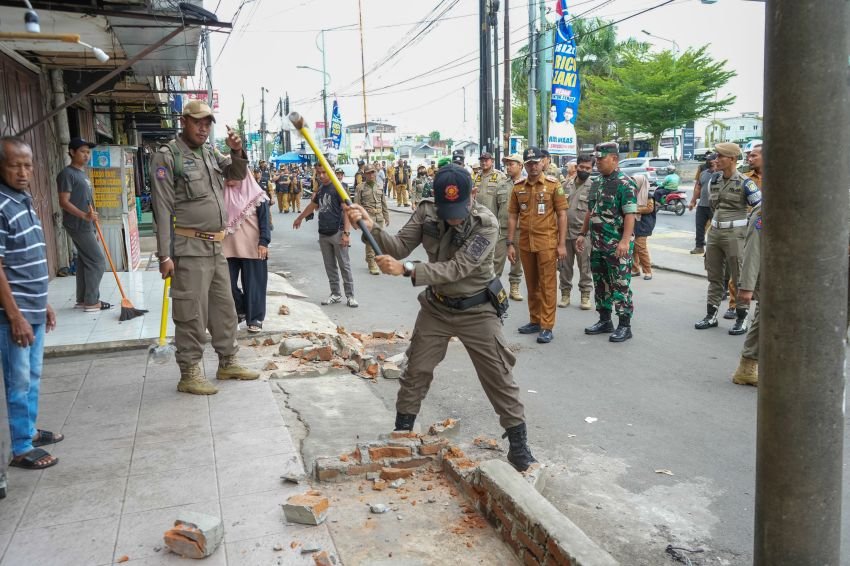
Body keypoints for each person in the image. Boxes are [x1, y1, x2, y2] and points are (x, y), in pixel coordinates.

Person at [345, 164, 537, 472]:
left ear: (472, 195)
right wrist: (372, 228)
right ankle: (403, 434)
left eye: (459, 209)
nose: (454, 217)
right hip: (437, 307)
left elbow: (457, 268)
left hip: (477, 309)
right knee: (416, 370)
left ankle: (519, 447)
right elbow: (399, 246)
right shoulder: (427, 212)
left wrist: (406, 269)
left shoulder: (485, 223)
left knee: (498, 377)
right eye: (448, 210)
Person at [150, 100, 259, 395]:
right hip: (188, 248)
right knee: (191, 313)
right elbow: (161, 208)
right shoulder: (168, 156)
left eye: (208, 123)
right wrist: (165, 254)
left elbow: (236, 174)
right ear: (183, 121)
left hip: (215, 247)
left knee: (224, 309)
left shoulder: (210, 152)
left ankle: (228, 361)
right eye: (198, 122)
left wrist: (237, 150)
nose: (203, 127)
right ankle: (189, 372)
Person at [0, 136, 60, 470]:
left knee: (33, 375)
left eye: (28, 164)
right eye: (14, 165)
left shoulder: (23, 199)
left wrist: (44, 304)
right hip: (13, 315)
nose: (23, 172)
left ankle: (31, 431)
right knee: (18, 379)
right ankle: (22, 447)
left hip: (33, 308)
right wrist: (15, 315)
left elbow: (31, 259)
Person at [694, 142, 761, 334]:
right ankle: (711, 314)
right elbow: (713, 207)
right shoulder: (714, 180)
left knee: (739, 276)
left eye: (720, 156)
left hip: (736, 235)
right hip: (715, 232)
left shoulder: (745, 183)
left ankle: (741, 318)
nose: (716, 160)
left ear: (731, 159)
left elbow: (759, 208)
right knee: (714, 275)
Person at [576, 142, 638, 343]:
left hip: (616, 245)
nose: (597, 163)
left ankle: (624, 325)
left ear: (614, 159)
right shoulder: (597, 182)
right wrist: (582, 233)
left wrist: (625, 241)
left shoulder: (625, 183)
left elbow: (630, 214)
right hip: (597, 244)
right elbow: (589, 211)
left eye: (601, 159)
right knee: (600, 283)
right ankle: (605, 320)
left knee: (620, 285)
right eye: (597, 159)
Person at [506, 147, 568, 344]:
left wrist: (561, 244)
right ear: (525, 165)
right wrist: (510, 243)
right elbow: (513, 216)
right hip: (525, 243)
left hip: (547, 243)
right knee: (531, 284)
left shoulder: (553, 185)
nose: (533, 166)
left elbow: (562, 215)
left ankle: (547, 326)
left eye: (536, 162)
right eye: (529, 163)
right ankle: (535, 320)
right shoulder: (518, 187)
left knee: (548, 285)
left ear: (543, 163)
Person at [56, 137, 110, 312]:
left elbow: (87, 201)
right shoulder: (67, 174)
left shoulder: (82, 174)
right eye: (82, 151)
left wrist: (93, 223)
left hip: (86, 224)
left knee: (84, 261)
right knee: (98, 261)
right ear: (72, 152)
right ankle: (92, 301)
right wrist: (84, 217)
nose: (86, 155)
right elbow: (64, 202)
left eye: (88, 152)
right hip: (77, 224)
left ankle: (82, 299)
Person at [294, 167, 358, 308]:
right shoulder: (322, 189)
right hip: (323, 233)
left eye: (324, 172)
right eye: (319, 173)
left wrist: (346, 233)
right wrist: (299, 218)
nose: (321, 175)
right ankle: (335, 293)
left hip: (338, 232)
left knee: (344, 266)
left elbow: (347, 211)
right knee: (330, 266)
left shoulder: (338, 188)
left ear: (331, 172)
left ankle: (350, 296)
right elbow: (313, 205)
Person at [223, 175, 270, 333]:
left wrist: (264, 242)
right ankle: (240, 309)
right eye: (227, 173)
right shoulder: (221, 193)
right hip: (228, 247)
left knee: (254, 285)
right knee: (225, 284)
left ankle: (255, 318)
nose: (229, 178)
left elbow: (265, 221)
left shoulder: (258, 195)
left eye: (233, 173)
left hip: (253, 247)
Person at [731, 200, 762, 386]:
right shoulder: (769, 208)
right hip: (773, 276)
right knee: (766, 318)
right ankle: (747, 367)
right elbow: (753, 247)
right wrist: (747, 286)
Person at [558, 154, 594, 309]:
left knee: (585, 267)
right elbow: (558, 210)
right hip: (565, 234)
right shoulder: (565, 185)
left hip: (583, 235)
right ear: (576, 167)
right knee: (565, 267)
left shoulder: (594, 187)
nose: (584, 170)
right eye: (582, 167)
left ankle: (585, 295)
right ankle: (565, 295)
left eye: (588, 168)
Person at [473, 151, 513, 282]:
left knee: (494, 255)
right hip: (478, 221)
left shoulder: (500, 176)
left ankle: (493, 281)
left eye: (486, 160)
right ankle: (480, 279)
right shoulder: (477, 177)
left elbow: (503, 201)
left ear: (492, 161)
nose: (484, 162)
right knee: (478, 253)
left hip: (493, 222)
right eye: (482, 160)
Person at [352, 164, 389, 275]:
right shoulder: (360, 187)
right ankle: (372, 264)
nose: (371, 175)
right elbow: (357, 205)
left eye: (373, 172)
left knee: (378, 240)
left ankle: (370, 259)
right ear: (364, 174)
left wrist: (386, 216)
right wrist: (356, 221)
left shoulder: (379, 186)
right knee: (370, 241)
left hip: (379, 218)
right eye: (368, 172)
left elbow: (383, 203)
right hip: (368, 218)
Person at [501, 154, 525, 301]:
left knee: (516, 260)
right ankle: (493, 288)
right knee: (495, 261)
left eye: (512, 164)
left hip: (518, 229)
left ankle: (514, 287)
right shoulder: (501, 184)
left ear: (520, 166)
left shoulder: (526, 185)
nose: (508, 167)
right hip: (501, 228)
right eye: (507, 165)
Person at [689, 153, 718, 254]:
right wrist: (693, 201)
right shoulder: (703, 173)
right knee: (700, 227)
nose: (709, 162)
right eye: (708, 160)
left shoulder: (721, 174)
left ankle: (714, 250)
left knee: (715, 229)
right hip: (702, 205)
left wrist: (716, 169)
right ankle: (699, 247)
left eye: (711, 160)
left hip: (715, 206)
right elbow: (698, 187)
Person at [631, 174, 655, 280]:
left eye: (635, 182)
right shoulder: (632, 194)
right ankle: (635, 269)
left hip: (644, 224)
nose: (632, 184)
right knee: (633, 248)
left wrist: (635, 209)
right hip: (634, 223)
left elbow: (649, 208)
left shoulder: (648, 195)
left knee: (641, 248)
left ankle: (648, 271)